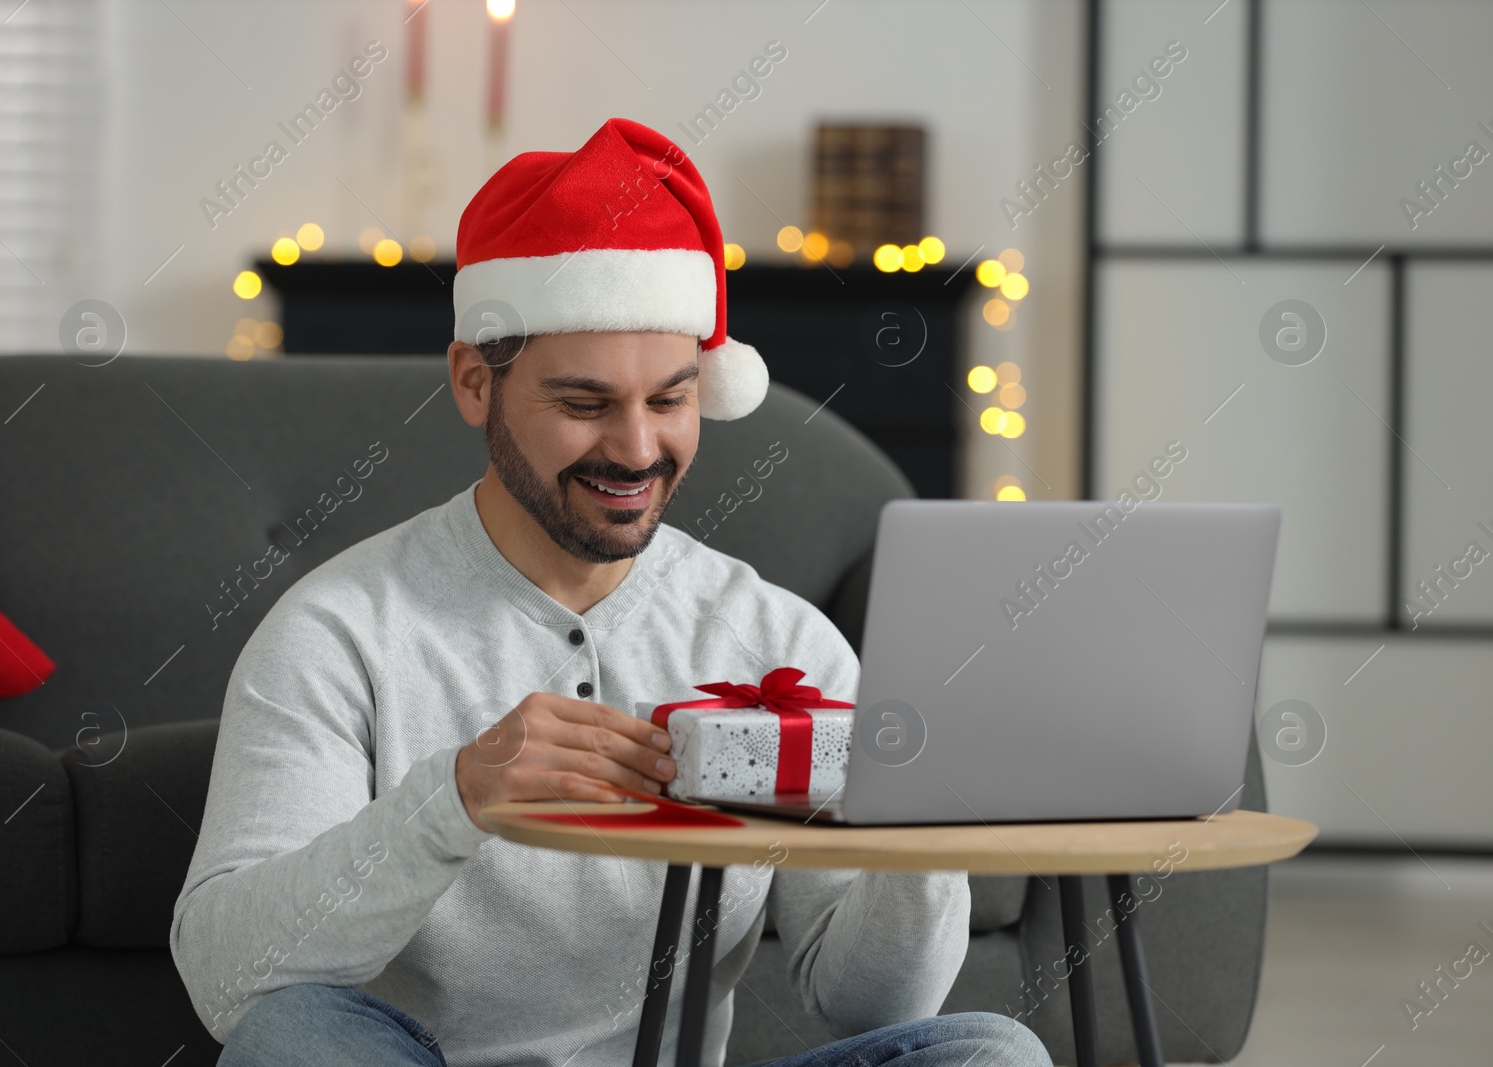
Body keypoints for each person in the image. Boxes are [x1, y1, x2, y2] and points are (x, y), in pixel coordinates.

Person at [170, 117, 1051, 1067]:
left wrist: (921, 831)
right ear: (475, 383)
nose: (636, 450)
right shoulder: (339, 631)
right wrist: (456, 798)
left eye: (670, 400)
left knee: (988, 1053)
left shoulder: (778, 637)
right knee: (292, 1035)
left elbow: (865, 1005)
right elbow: (231, 981)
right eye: (585, 404)